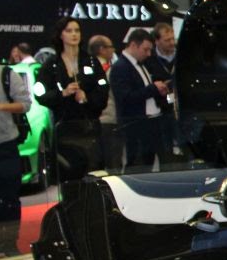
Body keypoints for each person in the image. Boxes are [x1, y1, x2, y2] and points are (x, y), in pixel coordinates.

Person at [34, 16, 108, 181]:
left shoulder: (91, 61)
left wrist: (87, 97)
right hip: (64, 132)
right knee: (69, 178)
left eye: (77, 30)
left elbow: (103, 91)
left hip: (90, 129)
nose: (74, 34)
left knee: (94, 177)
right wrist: (63, 93)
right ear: (61, 35)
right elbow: (40, 95)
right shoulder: (51, 65)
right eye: (69, 31)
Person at [0, 34, 31, 257]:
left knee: (9, 195)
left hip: (4, 144)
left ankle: (10, 241)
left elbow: (25, 104)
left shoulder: (6, 74)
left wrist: (0, 106)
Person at [111, 29, 168, 171]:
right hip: (135, 125)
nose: (148, 54)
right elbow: (126, 98)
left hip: (150, 122)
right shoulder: (120, 67)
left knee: (149, 162)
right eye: (145, 49)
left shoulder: (140, 65)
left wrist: (157, 90)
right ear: (133, 45)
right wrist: (153, 88)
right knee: (137, 165)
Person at [144, 22, 181, 160]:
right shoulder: (148, 59)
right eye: (167, 40)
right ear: (157, 41)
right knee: (165, 153)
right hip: (160, 112)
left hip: (181, 111)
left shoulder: (182, 56)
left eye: (173, 39)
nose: (172, 43)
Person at [90, 35, 123, 172]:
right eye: (111, 47)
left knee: (95, 164)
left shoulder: (85, 68)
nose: (113, 50)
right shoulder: (109, 70)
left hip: (92, 122)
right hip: (109, 120)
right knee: (113, 164)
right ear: (101, 49)